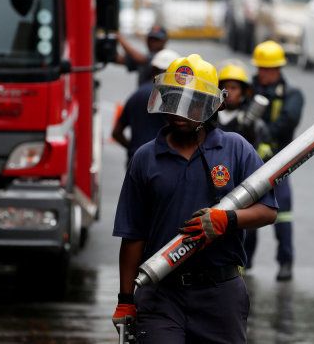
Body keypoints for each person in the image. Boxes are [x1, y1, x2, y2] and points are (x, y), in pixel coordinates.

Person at [111, 54, 278, 343]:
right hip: (160, 293)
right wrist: (125, 298)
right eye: (173, 99)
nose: (179, 110)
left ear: (211, 105)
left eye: (191, 102)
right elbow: (133, 235)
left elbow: (268, 210)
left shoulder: (235, 148)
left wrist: (227, 219)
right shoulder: (145, 158)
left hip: (220, 294)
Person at [249, 40, 304, 281]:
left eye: (269, 69)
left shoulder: (292, 95)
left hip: (279, 163)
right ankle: (244, 262)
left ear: (279, 69)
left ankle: (286, 263)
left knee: (283, 216)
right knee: (247, 215)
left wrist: (264, 133)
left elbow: (288, 121)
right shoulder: (248, 90)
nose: (264, 74)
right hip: (250, 164)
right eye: (261, 68)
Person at [111, 48, 181, 165]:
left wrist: (133, 149)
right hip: (162, 164)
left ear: (152, 68)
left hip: (135, 162)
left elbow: (116, 133)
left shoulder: (136, 95)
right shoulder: (172, 97)